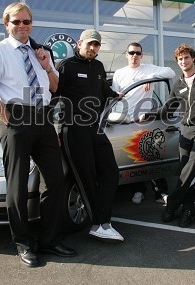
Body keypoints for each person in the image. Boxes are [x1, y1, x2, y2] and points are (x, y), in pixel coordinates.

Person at [0, 2, 76, 268]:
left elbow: (54, 87)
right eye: (16, 22)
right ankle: (23, 244)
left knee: (56, 180)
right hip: (15, 117)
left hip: (42, 117)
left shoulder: (42, 52)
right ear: (6, 24)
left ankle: (49, 239)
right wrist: (4, 117)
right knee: (17, 185)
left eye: (27, 21)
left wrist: (46, 65)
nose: (22, 26)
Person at [54, 29, 124, 242]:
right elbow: (52, 97)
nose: (93, 48)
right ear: (79, 43)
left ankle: (102, 221)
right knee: (86, 178)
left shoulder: (99, 66)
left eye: (96, 45)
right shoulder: (65, 66)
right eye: (89, 44)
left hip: (95, 127)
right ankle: (99, 223)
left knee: (111, 172)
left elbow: (102, 90)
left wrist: (116, 95)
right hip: (73, 129)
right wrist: (54, 129)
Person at [152, 43, 195, 227]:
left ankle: (172, 205)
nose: (184, 61)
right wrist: (149, 114)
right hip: (187, 129)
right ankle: (188, 209)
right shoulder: (179, 84)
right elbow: (168, 109)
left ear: (193, 59)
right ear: (177, 62)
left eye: (187, 57)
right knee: (186, 169)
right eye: (180, 59)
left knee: (193, 163)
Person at [112, 42, 175, 205]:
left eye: (138, 53)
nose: (134, 56)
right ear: (126, 54)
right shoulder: (119, 73)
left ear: (142, 55)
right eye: (131, 53)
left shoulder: (149, 69)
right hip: (126, 121)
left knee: (152, 156)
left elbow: (171, 72)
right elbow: (115, 98)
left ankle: (161, 192)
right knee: (132, 158)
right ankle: (138, 190)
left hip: (145, 120)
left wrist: (151, 77)